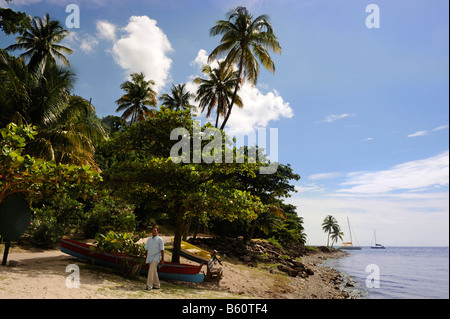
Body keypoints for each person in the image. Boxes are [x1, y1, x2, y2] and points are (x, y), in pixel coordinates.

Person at [145, 226, 165, 290]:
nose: (153, 232)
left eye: (155, 231)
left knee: (150, 271)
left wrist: (162, 259)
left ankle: (149, 286)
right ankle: (157, 285)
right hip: (149, 257)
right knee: (154, 271)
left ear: (157, 232)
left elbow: (162, 250)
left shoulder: (160, 240)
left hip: (156, 258)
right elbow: (146, 249)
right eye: (153, 230)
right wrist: (146, 257)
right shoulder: (149, 239)